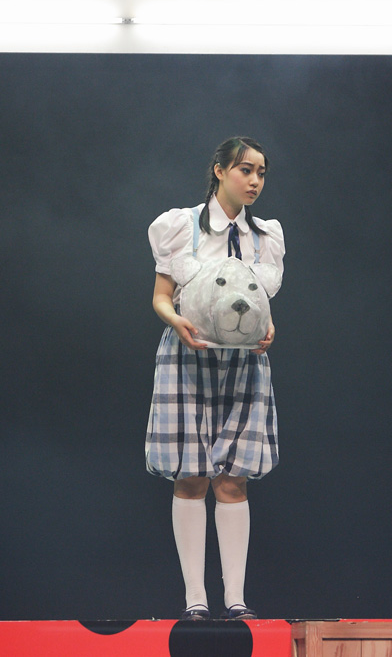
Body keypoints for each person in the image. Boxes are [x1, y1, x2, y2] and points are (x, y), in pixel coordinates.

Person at [146, 136, 285, 621]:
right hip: (190, 357)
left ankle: (236, 599)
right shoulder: (182, 226)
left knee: (234, 478)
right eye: (246, 170)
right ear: (220, 170)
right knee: (191, 476)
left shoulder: (263, 236)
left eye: (261, 172)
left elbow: (259, 303)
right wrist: (177, 321)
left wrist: (269, 328)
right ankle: (195, 600)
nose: (255, 180)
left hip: (244, 363)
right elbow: (161, 296)